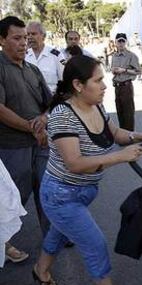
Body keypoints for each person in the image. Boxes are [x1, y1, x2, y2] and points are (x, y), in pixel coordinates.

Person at [32, 55, 142, 285]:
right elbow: (75, 163)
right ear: (78, 85)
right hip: (60, 195)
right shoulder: (62, 115)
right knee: (94, 243)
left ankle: (41, 269)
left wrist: (139, 135)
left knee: (58, 234)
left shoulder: (97, 106)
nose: (105, 86)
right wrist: (120, 157)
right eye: (98, 80)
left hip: (83, 192)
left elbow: (116, 133)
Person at [0, 16, 51, 262]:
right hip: (11, 147)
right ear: (2, 40)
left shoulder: (33, 70)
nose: (24, 43)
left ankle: (52, 238)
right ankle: (4, 244)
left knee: (47, 190)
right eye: (17, 38)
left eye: (26, 38)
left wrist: (44, 118)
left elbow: (51, 104)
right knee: (12, 198)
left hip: (40, 145)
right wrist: (30, 127)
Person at [25, 21, 65, 93]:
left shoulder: (56, 55)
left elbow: (64, 79)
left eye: (33, 34)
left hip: (51, 99)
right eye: (28, 34)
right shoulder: (24, 55)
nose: (30, 37)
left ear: (43, 36)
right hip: (30, 100)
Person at [111, 33, 140, 131]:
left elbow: (138, 71)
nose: (121, 43)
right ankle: (123, 135)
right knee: (120, 112)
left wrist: (124, 70)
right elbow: (113, 69)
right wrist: (114, 71)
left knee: (128, 113)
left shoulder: (131, 56)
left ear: (126, 42)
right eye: (119, 41)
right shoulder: (114, 56)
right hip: (117, 86)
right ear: (115, 42)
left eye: (123, 41)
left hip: (126, 86)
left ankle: (130, 135)